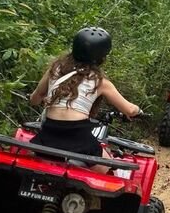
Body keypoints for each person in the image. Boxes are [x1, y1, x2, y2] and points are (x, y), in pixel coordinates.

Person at [29, 26, 141, 158]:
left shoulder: (56, 69)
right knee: (107, 167)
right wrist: (138, 111)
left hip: (49, 133)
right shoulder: (100, 82)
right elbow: (129, 109)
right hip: (78, 138)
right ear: (102, 57)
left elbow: (34, 99)